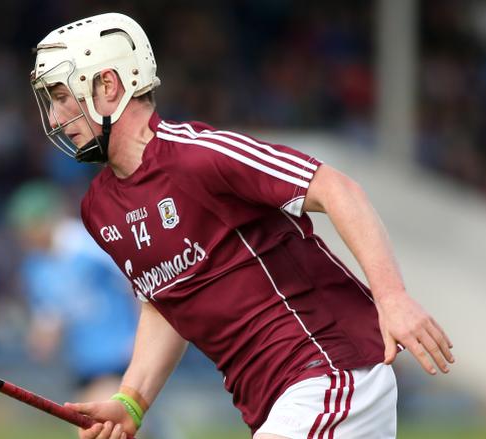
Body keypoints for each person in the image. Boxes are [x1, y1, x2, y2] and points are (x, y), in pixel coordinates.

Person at [30, 12, 454, 439]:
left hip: (330, 369)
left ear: (108, 85)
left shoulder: (198, 156)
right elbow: (164, 301)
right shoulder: (99, 209)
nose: (53, 118)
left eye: (62, 96)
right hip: (275, 402)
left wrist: (392, 296)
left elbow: (337, 189)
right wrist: (132, 400)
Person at [6, 180, 138, 404]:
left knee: (101, 424)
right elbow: (50, 316)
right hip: (83, 360)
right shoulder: (35, 268)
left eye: (30, 227)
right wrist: (41, 340)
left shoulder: (88, 244)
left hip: (118, 352)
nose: (25, 236)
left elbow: (134, 281)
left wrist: (138, 337)